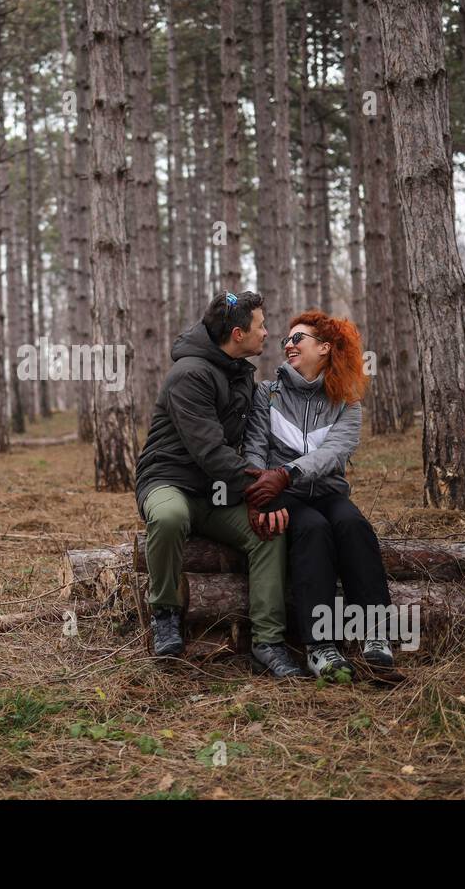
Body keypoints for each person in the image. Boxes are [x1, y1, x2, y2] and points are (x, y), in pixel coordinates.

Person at [135, 291, 305, 678]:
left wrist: (259, 496)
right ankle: (165, 613)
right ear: (238, 333)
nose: (267, 333)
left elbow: (242, 445)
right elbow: (209, 450)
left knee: (268, 532)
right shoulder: (189, 374)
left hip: (219, 490)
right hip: (169, 480)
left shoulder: (239, 371)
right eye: (261, 326)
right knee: (169, 518)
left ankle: (268, 641)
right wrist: (261, 483)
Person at [241, 309, 398, 681]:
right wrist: (261, 493)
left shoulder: (346, 401)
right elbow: (253, 448)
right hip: (287, 498)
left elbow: (335, 453)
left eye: (298, 339)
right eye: (286, 340)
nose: (288, 345)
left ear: (325, 348)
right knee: (312, 531)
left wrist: (288, 472)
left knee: (352, 524)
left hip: (325, 491)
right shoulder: (267, 393)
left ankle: (375, 635)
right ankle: (320, 646)